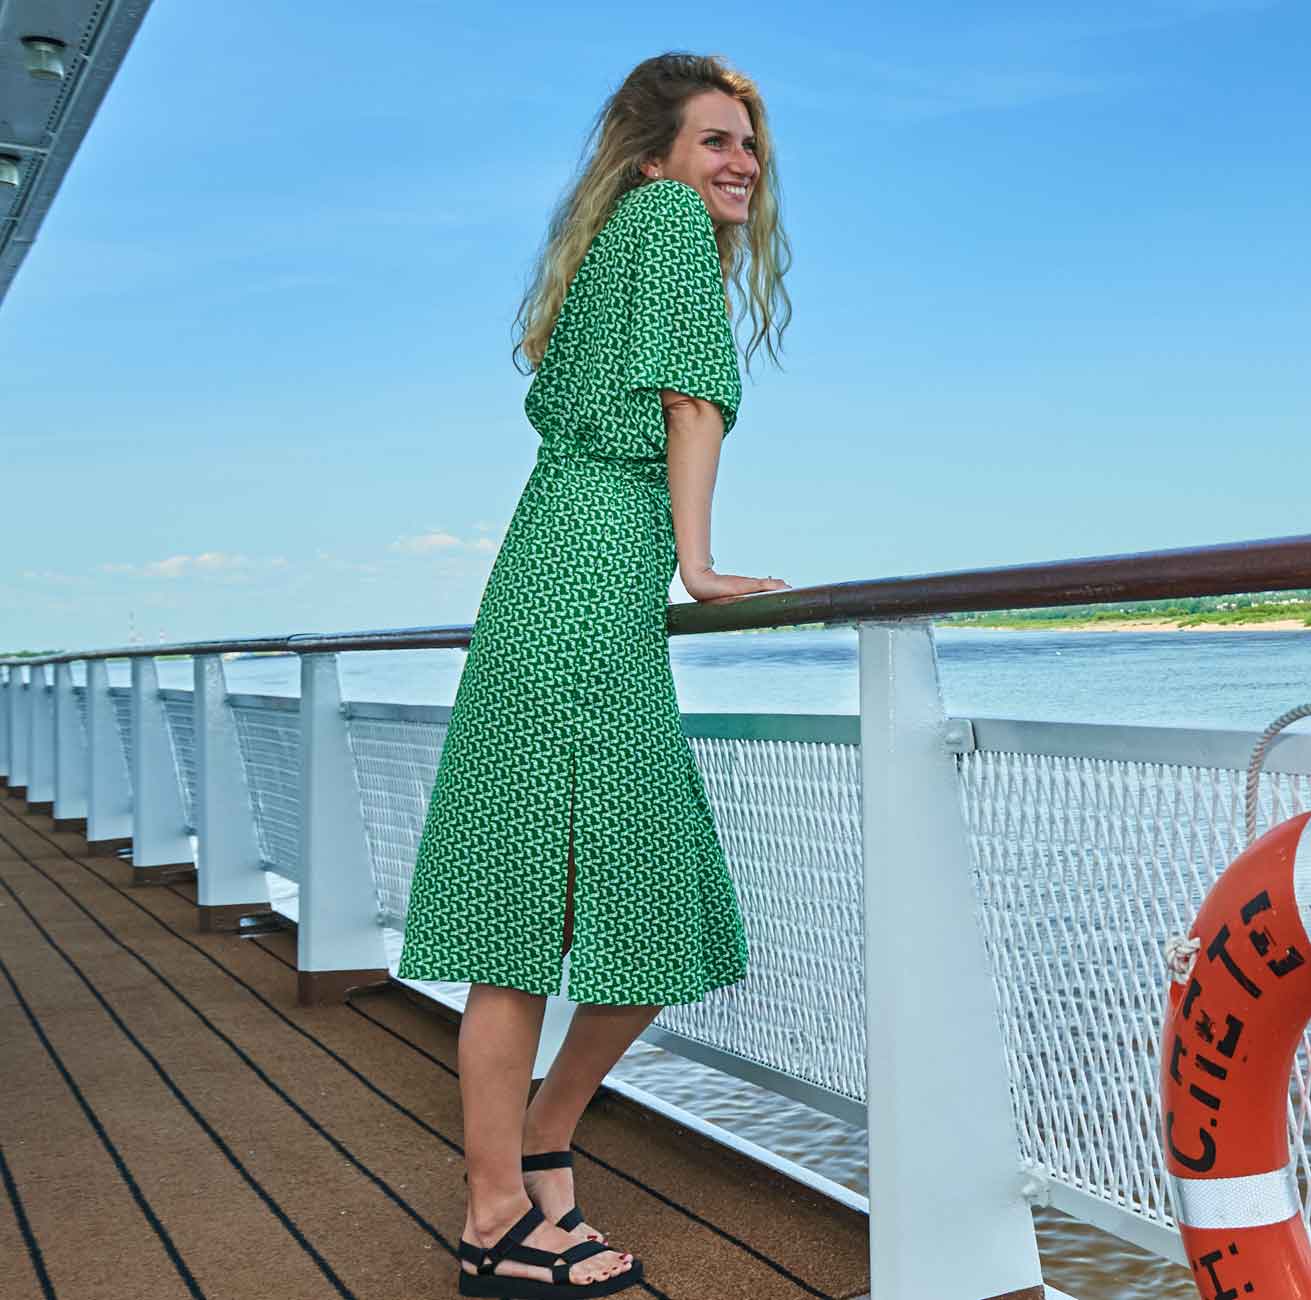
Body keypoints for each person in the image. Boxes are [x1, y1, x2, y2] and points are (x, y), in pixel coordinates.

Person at [394, 51, 793, 1298]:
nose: (741, 164)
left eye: (750, 145)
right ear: (656, 157)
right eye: (717, 139)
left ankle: (533, 1156)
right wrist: (700, 562)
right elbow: (692, 401)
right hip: (587, 583)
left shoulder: (621, 239)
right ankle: (497, 1215)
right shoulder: (665, 223)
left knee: (592, 907)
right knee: (586, 913)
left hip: (561, 570)